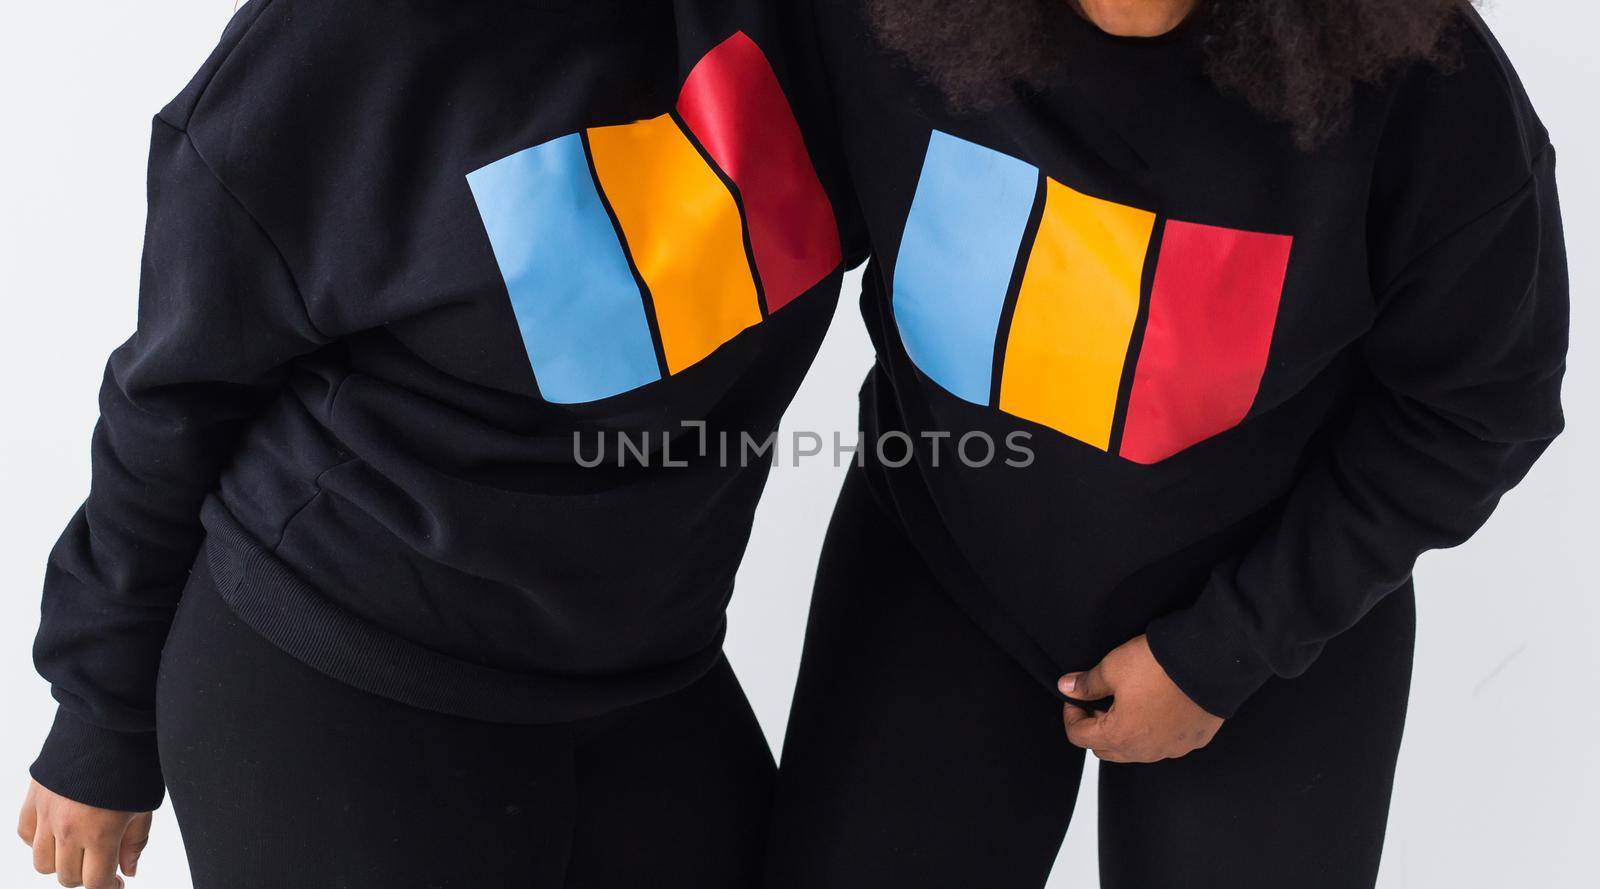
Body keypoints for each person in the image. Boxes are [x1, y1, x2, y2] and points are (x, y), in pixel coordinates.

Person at [15, 2, 857, 887]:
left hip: (656, 669)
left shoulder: (824, 26)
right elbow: (180, 384)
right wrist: (102, 713)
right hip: (347, 674)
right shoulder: (345, 33)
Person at [765, 0, 1568, 887]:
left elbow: (1482, 404)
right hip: (942, 564)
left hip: (1273, 605)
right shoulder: (869, 16)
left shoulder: (1426, 80)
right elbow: (740, 235)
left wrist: (1230, 647)